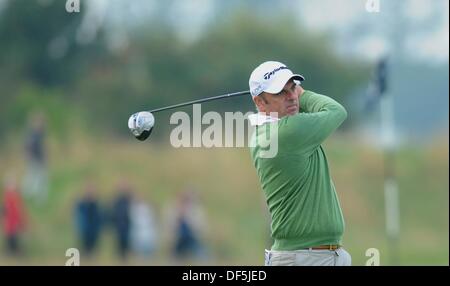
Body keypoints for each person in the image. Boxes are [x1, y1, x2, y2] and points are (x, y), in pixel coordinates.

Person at [248, 61, 351, 266]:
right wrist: (303, 94)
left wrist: (290, 94)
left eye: (293, 87)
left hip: (309, 255)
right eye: (280, 92)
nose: (292, 96)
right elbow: (336, 111)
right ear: (260, 102)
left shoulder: (267, 133)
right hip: (305, 258)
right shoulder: (289, 132)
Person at [23, 112, 48, 204]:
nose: (40, 124)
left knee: (40, 178)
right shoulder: (32, 134)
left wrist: (45, 157)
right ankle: (29, 196)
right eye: (39, 122)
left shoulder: (41, 133)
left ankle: (38, 198)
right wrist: (28, 156)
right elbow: (27, 146)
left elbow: (42, 147)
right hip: (34, 159)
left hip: (40, 159)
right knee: (33, 177)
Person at [74, 182, 102, 257]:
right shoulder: (82, 203)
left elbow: (99, 216)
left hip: (94, 229)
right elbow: (79, 214)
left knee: (93, 246)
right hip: (85, 228)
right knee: (85, 246)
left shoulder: (96, 203)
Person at [1, 174, 27, 256]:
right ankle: (12, 251)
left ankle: (13, 251)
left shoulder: (12, 196)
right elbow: (6, 209)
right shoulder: (9, 196)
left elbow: (16, 210)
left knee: (13, 237)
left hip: (12, 221)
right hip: (10, 221)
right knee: (11, 237)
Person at [111, 180, 132, 261]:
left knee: (127, 245)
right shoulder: (116, 200)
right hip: (119, 226)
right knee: (119, 246)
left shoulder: (129, 199)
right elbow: (113, 213)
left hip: (128, 226)